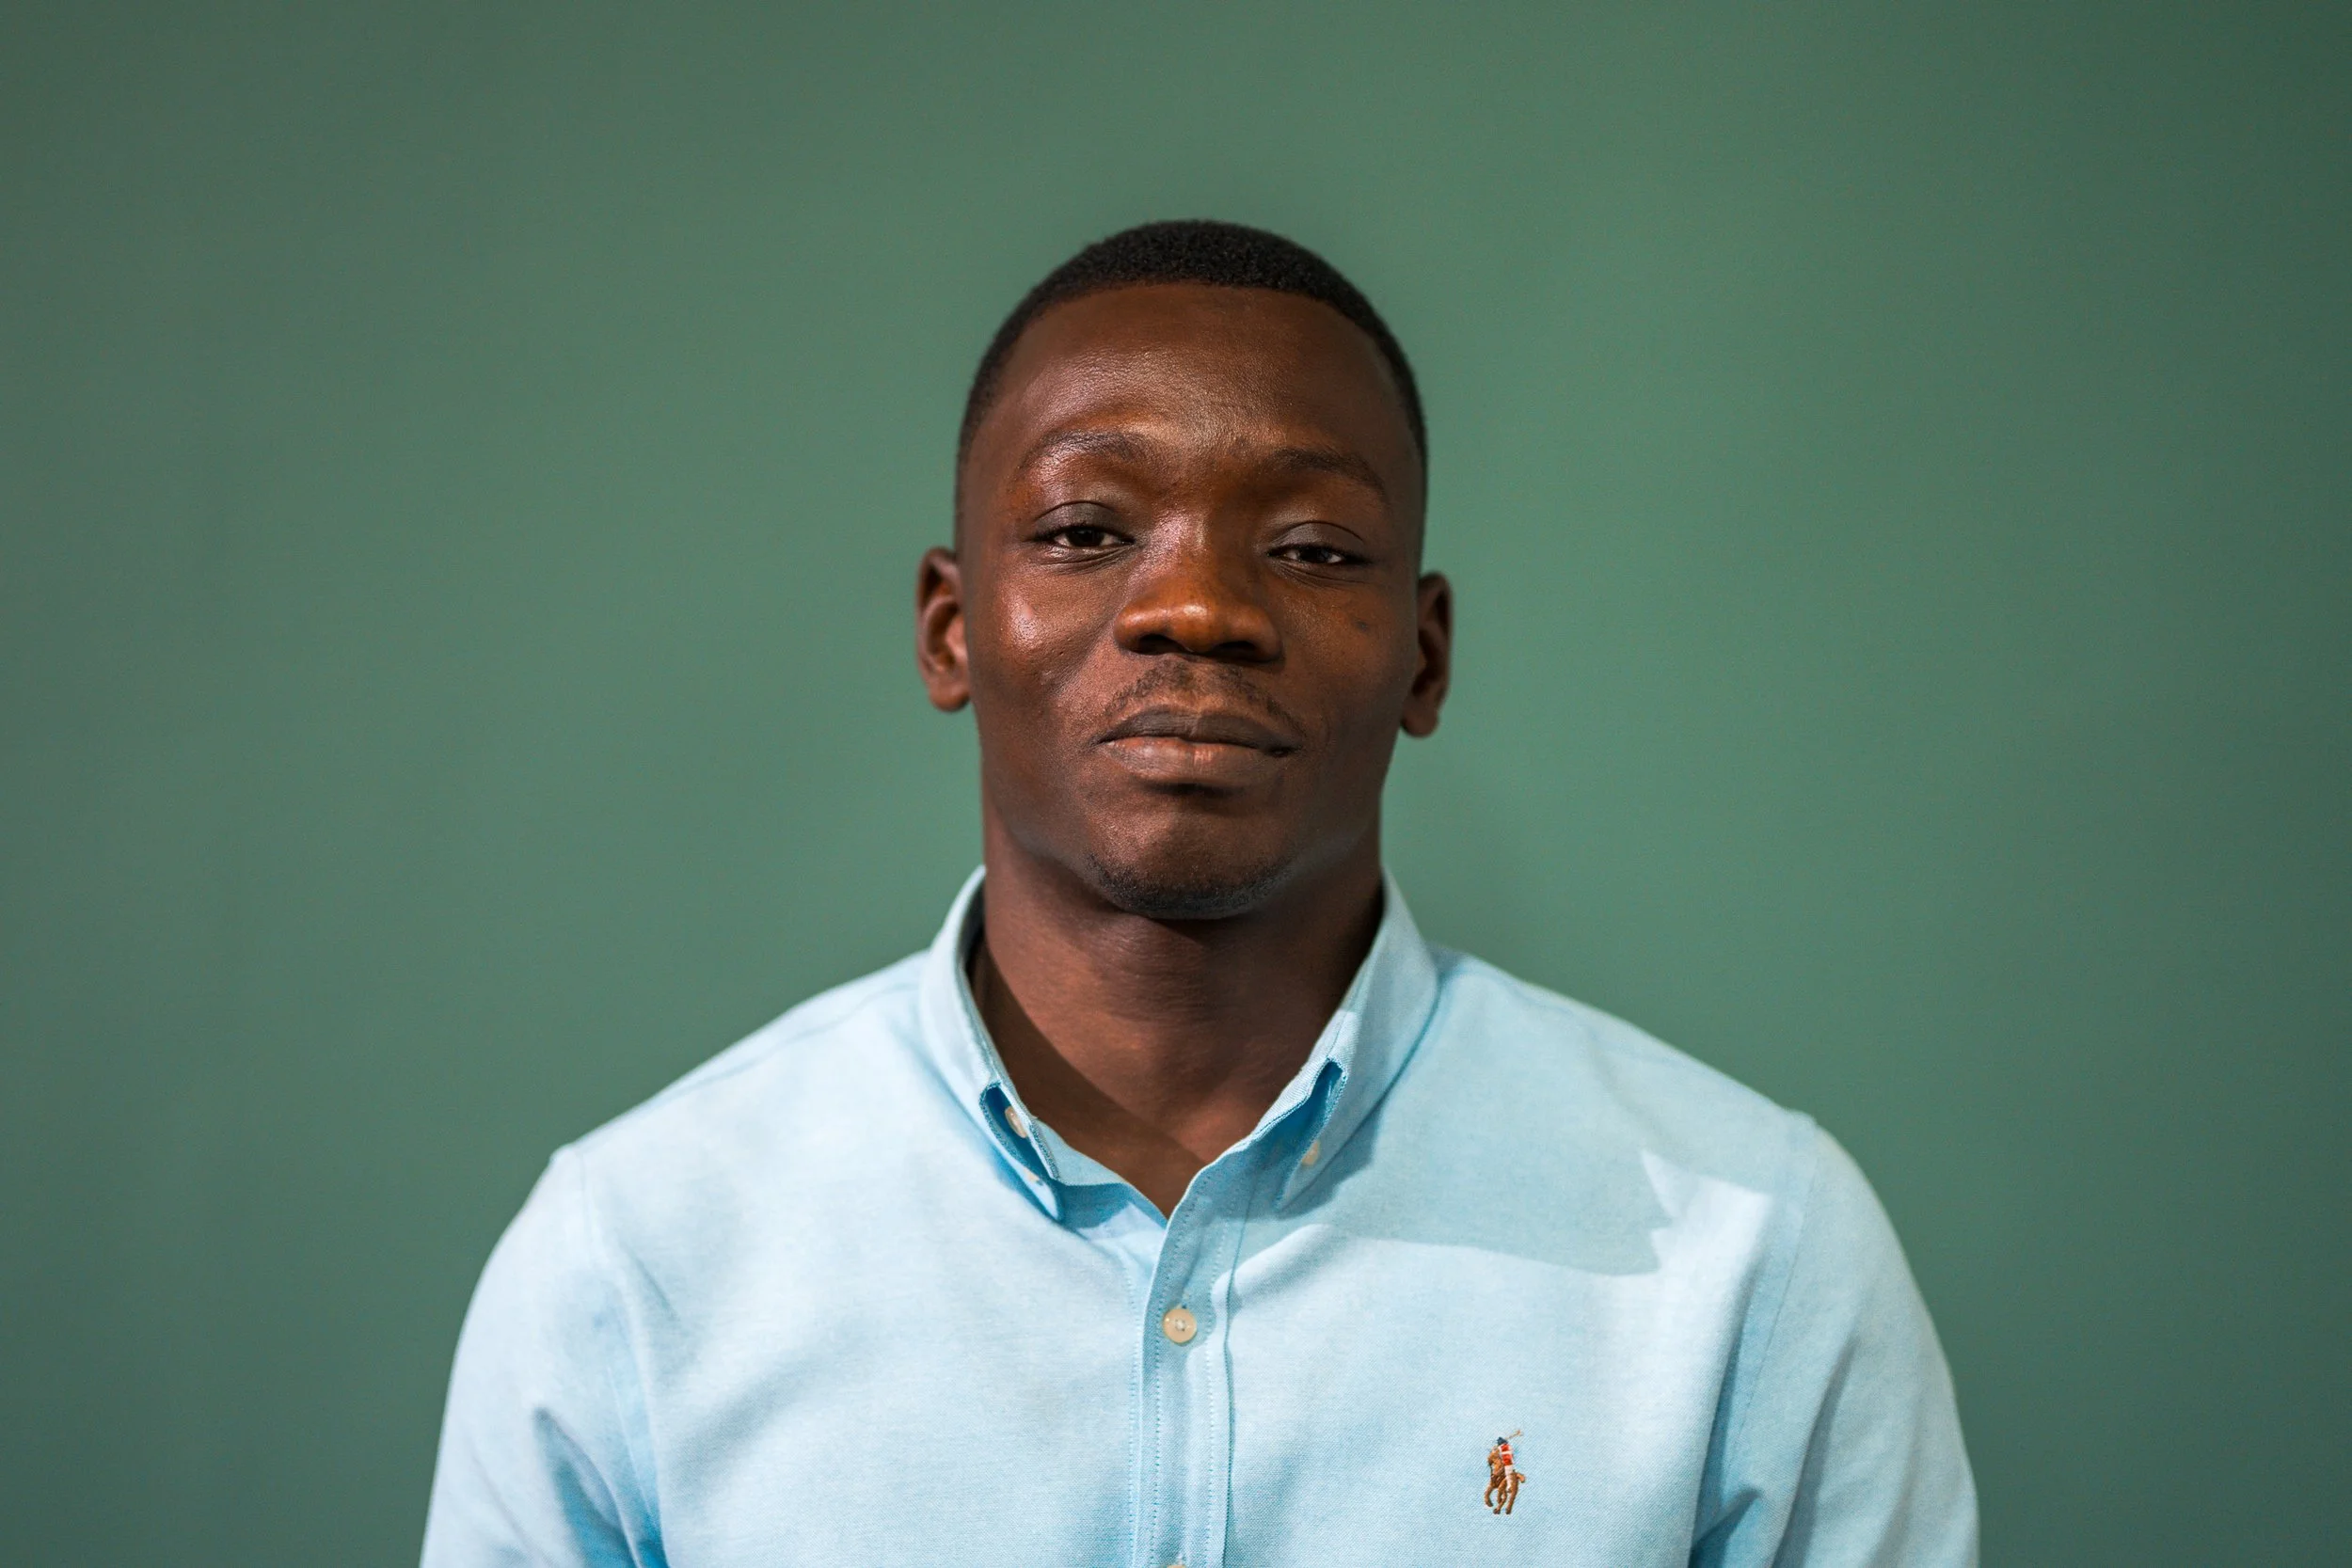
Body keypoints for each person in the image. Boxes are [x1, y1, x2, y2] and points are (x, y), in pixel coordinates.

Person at [421, 219, 1977, 1566]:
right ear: (952, 628)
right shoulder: (633, 1261)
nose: (1196, 606)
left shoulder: (1752, 1257)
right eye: (1089, 530)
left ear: (1425, 654)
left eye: (1309, 547)